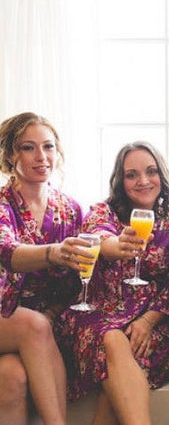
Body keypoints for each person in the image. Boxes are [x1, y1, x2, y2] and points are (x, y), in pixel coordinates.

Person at [59, 142, 169, 424]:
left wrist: (147, 322)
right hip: (95, 317)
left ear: (161, 175)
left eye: (151, 171)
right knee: (113, 339)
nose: (143, 181)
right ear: (120, 180)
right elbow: (101, 238)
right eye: (131, 174)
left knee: (111, 396)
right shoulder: (103, 213)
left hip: (149, 326)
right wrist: (119, 244)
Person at [0, 112, 86, 425]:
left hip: (46, 324)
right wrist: (54, 253)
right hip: (6, 314)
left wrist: (52, 312)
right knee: (34, 326)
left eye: (48, 146)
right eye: (28, 147)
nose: (41, 156)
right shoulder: (2, 204)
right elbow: (7, 252)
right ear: (10, 155)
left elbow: (79, 279)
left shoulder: (70, 209)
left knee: (11, 376)